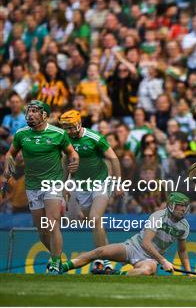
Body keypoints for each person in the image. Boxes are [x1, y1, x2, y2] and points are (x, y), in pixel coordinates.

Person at [1, 100, 79, 274]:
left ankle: (56, 263)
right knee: (41, 231)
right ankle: (56, 256)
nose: (31, 114)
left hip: (52, 183)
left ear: (44, 115)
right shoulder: (21, 134)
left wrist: (73, 169)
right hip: (32, 185)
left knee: (52, 224)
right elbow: (10, 154)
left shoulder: (58, 133)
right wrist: (8, 166)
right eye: (29, 111)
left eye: (35, 111)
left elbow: (72, 153)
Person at [61, 193, 192, 276]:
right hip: (133, 247)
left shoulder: (184, 226)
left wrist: (189, 274)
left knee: (146, 271)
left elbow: (183, 251)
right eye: (179, 206)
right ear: (170, 206)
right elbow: (146, 243)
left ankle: (115, 274)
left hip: (149, 259)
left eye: (184, 207)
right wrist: (163, 261)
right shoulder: (158, 216)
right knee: (99, 252)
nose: (182, 209)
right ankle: (63, 267)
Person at [58, 110, 122, 272]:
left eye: (72, 127)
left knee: (94, 219)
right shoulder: (66, 139)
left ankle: (103, 260)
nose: (70, 131)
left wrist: (118, 182)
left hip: (101, 182)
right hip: (82, 186)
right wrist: (65, 184)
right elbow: (66, 161)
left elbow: (113, 158)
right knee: (96, 225)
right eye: (66, 128)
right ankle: (104, 261)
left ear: (79, 123)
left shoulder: (95, 138)